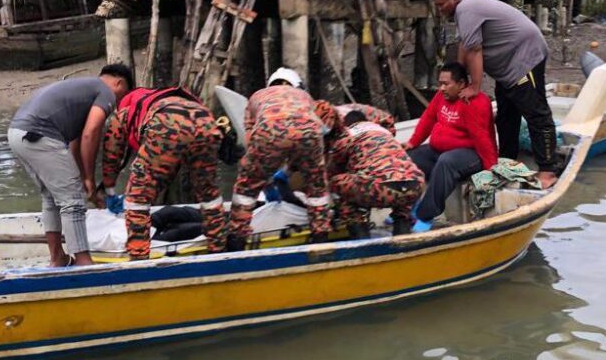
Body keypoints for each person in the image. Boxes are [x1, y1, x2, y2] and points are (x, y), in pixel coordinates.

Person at [429, 0, 559, 189]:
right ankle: (507, 161)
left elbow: (474, 50)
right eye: (436, 6)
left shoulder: (466, 8)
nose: (440, 9)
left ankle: (547, 170)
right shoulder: (464, 5)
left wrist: (475, 86)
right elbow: (465, 44)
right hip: (507, 67)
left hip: (525, 57)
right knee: (507, 115)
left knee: (536, 113)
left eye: (442, 5)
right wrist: (458, 78)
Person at [7, 64, 133, 267]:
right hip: (40, 134)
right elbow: (91, 133)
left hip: (18, 133)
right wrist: (89, 180)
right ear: (119, 83)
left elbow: (75, 143)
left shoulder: (83, 91)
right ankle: (84, 262)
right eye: (123, 95)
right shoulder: (105, 91)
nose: (118, 103)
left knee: (51, 197)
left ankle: (58, 258)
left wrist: (85, 181)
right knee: (72, 201)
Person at [101, 86, 225, 259]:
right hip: (206, 120)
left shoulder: (124, 112)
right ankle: (219, 248)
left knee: (137, 196)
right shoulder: (167, 98)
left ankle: (139, 259)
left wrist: (109, 189)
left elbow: (111, 154)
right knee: (208, 193)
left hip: (167, 123)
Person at [226, 67, 331, 251]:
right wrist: (295, 167)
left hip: (269, 130)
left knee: (246, 188)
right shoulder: (304, 97)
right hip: (309, 133)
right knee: (317, 187)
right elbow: (319, 131)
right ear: (297, 85)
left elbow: (250, 139)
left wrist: (260, 171)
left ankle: (236, 241)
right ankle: (320, 238)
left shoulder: (257, 96)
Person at [404, 62, 498, 231]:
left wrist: (490, 167)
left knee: (446, 162)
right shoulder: (442, 96)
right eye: (440, 83)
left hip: (471, 154)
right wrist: (413, 142)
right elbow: (428, 118)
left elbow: (481, 137)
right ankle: (404, 211)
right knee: (409, 157)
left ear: (461, 84)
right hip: (438, 151)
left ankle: (425, 216)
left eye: (446, 84)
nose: (441, 88)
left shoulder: (474, 102)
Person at [323, 106, 425, 238]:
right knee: (402, 180)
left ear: (346, 125)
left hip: (379, 188)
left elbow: (333, 168)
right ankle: (402, 229)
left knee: (337, 182)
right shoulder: (384, 131)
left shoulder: (348, 134)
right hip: (416, 185)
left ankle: (360, 235)